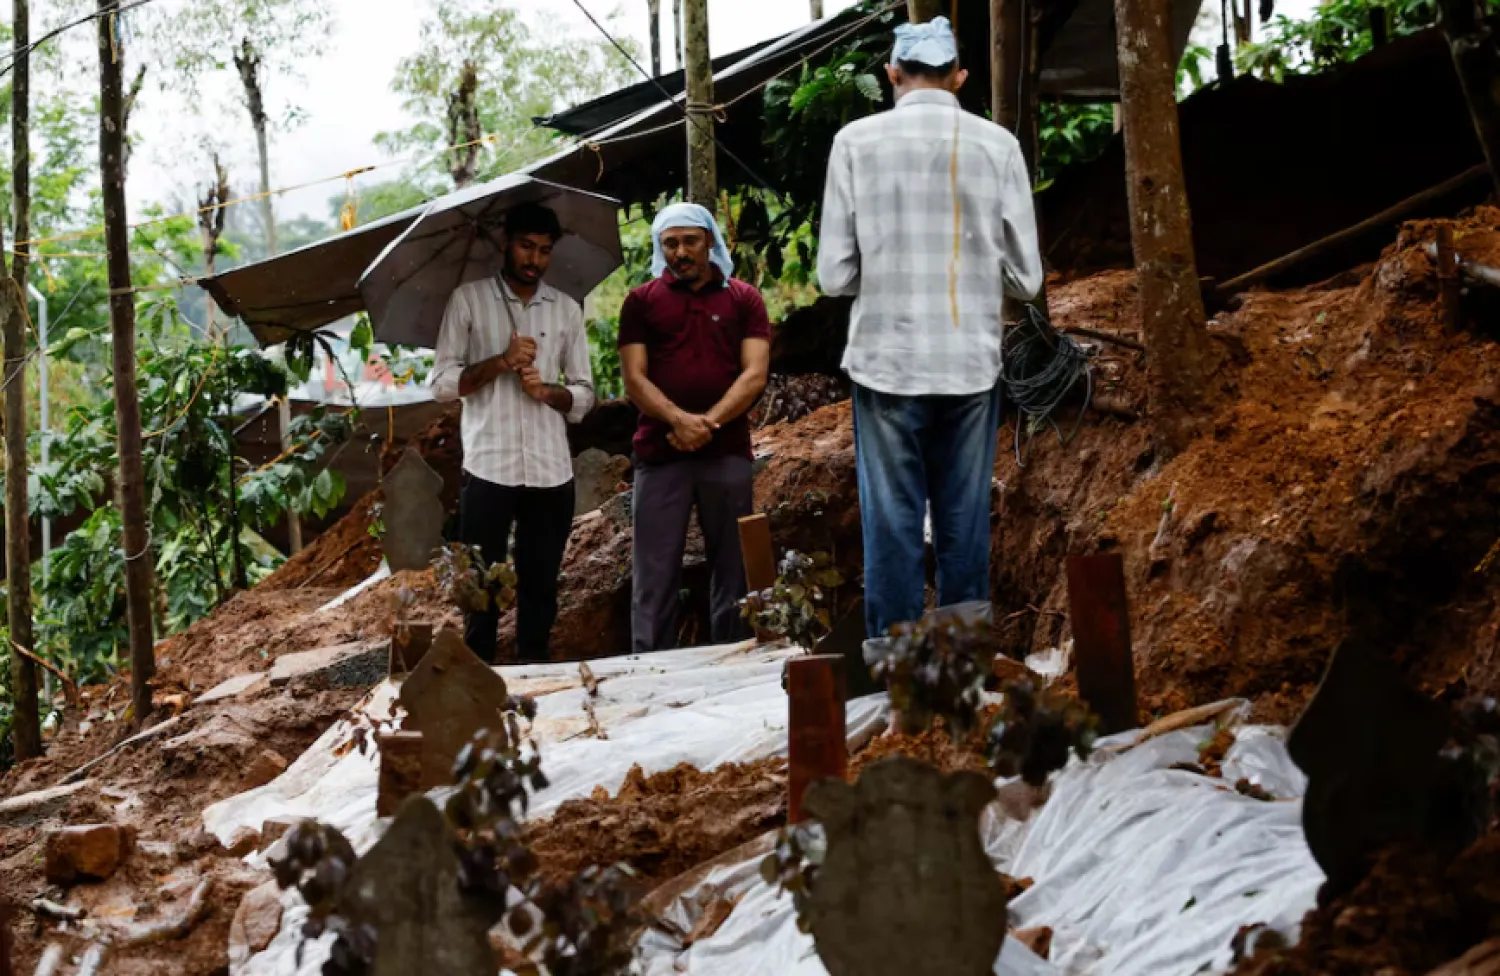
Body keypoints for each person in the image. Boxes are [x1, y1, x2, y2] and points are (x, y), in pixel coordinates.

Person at [817, 17, 1044, 639]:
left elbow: (834, 276)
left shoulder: (855, 143)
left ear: (892, 75)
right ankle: (960, 680)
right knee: (963, 524)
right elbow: (1026, 280)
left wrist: (885, 270)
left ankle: (899, 692)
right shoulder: (997, 145)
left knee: (891, 525)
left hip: (886, 362)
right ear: (960, 78)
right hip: (970, 363)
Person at [430, 202, 596, 663]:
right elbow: (443, 384)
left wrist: (548, 393)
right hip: (488, 466)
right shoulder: (468, 300)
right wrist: (500, 363)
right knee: (481, 583)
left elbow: (584, 395)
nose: (534, 260)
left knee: (541, 583)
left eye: (544, 251)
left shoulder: (565, 310)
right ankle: (478, 674)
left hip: (550, 469)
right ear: (506, 243)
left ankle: (535, 674)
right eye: (526, 247)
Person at [619, 203, 771, 653]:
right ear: (659, 247)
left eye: (689, 241)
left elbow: (755, 373)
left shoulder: (744, 299)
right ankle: (648, 668)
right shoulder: (641, 302)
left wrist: (710, 422)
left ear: (709, 240)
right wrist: (681, 421)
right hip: (660, 453)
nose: (680, 252)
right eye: (670, 243)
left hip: (726, 453)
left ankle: (734, 659)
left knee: (733, 566)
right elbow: (634, 377)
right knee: (653, 570)